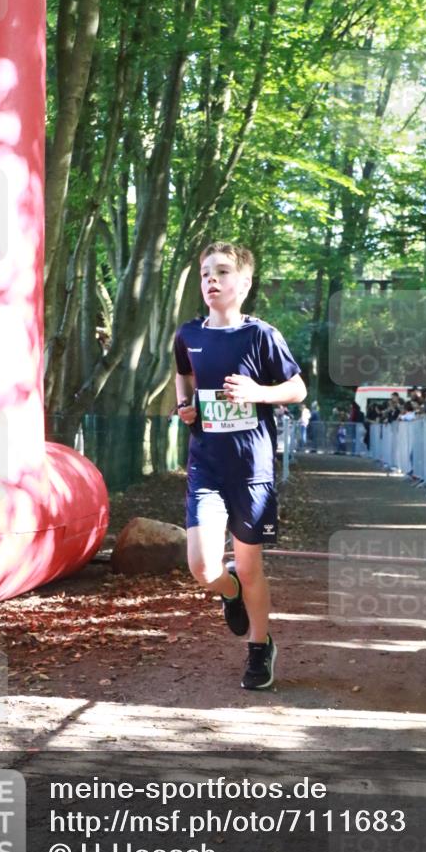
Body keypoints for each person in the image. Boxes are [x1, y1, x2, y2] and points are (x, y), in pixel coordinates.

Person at [174, 242, 306, 690]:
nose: (212, 280)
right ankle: (229, 593)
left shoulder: (262, 336)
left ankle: (259, 646)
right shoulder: (188, 334)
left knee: (250, 567)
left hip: (253, 469)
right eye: (206, 272)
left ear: (244, 284)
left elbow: (298, 389)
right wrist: (184, 406)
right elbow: (184, 374)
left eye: (223, 272)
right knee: (202, 567)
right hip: (206, 464)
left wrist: (258, 393)